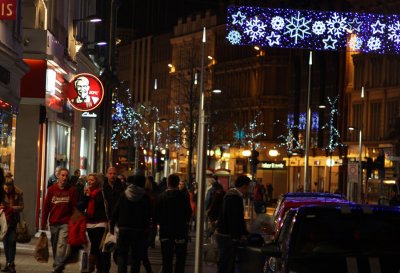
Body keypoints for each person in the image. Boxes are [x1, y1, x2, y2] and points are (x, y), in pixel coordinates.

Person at [111, 174, 152, 273]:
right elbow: (149, 213)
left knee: (122, 254)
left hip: (124, 229)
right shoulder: (145, 197)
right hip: (139, 230)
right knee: (136, 256)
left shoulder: (124, 194)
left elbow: (115, 212)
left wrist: (112, 226)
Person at [41, 168, 77, 273]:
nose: (65, 178)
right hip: (53, 222)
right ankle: (58, 262)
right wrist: (43, 223)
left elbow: (74, 208)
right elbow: (46, 207)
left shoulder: (71, 190)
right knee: (55, 244)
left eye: (66, 176)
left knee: (62, 245)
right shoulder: (52, 190)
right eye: (63, 175)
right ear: (58, 176)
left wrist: (74, 223)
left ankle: (57, 267)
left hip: (65, 222)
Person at [154, 174, 192, 273]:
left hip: (165, 231)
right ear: (177, 183)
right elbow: (188, 213)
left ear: (168, 183)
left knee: (167, 259)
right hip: (180, 231)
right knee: (180, 258)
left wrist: (160, 223)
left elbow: (156, 215)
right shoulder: (183, 197)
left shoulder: (161, 197)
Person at [216, 175, 251, 273]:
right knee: (227, 263)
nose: (248, 190)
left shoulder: (231, 195)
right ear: (244, 186)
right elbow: (234, 218)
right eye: (248, 187)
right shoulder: (234, 198)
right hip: (227, 236)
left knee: (226, 262)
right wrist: (237, 236)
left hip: (225, 234)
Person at [83, 173, 108, 273]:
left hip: (100, 222)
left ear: (96, 182)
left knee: (96, 244)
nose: (89, 182)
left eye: (92, 180)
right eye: (88, 180)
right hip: (90, 222)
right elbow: (82, 205)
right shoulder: (85, 191)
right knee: (95, 244)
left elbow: (100, 205)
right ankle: (99, 266)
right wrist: (86, 196)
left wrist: (91, 196)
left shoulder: (101, 192)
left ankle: (91, 265)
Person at [102, 167, 125, 272]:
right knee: (107, 244)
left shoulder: (121, 186)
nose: (112, 175)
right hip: (106, 219)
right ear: (107, 174)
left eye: (114, 173)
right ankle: (105, 268)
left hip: (118, 220)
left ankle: (119, 265)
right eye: (110, 173)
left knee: (119, 246)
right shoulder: (103, 186)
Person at [1, 173, 24, 273]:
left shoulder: (18, 193)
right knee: (6, 242)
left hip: (13, 221)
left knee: (12, 241)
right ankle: (8, 263)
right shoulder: (1, 192)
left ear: (12, 186)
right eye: (5, 188)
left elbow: (21, 207)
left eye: (9, 188)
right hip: (3, 221)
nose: (7, 190)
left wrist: (11, 208)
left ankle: (11, 262)